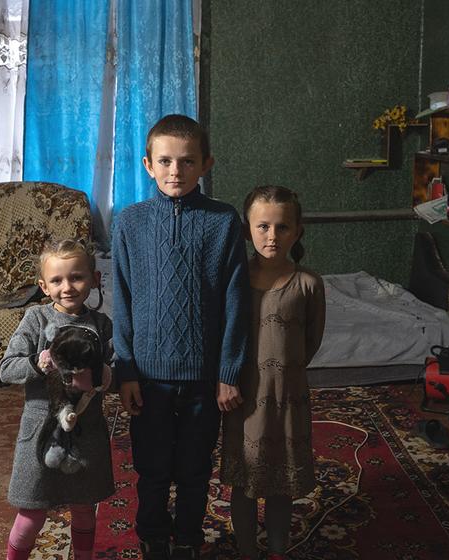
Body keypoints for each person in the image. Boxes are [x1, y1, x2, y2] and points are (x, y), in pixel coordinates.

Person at [112, 114, 251, 560]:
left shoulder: (224, 221)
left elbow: (236, 300)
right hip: (148, 378)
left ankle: (189, 538)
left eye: (187, 162)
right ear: (148, 164)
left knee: (194, 469)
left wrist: (228, 372)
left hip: (203, 377)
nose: (176, 171)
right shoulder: (129, 222)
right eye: (166, 161)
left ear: (206, 164)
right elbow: (123, 300)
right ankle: (153, 535)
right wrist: (127, 370)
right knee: (151, 469)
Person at [219, 186, 327, 559]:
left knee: (281, 485)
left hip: (288, 401)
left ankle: (278, 551)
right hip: (244, 398)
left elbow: (310, 341)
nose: (272, 236)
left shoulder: (309, 284)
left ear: (297, 231)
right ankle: (248, 551)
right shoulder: (234, 280)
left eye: (282, 227)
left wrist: (285, 374)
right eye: (262, 226)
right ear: (247, 230)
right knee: (245, 482)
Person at [0, 239, 114, 560]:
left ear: (94, 278)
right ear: (43, 286)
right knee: (33, 511)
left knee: (84, 506)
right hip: (40, 435)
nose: (68, 287)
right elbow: (6, 369)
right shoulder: (36, 320)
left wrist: (107, 373)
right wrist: (39, 362)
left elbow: (116, 374)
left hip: (85, 433)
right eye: (56, 280)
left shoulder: (101, 325)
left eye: (77, 277)